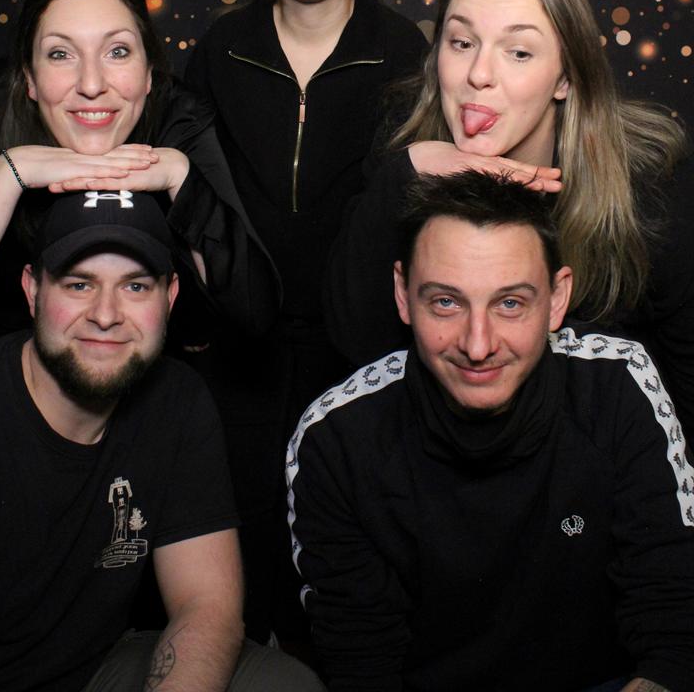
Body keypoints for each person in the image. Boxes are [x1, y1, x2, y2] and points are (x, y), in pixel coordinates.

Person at [0, 189, 325, 692]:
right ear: (33, 291)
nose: (106, 314)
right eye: (79, 284)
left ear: (170, 297)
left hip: (98, 669)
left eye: (135, 286)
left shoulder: (177, 400)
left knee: (284, 682)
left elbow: (207, 604)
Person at [288, 170, 694, 692]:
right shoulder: (334, 440)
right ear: (402, 295)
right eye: (446, 302)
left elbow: (674, 628)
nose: (477, 345)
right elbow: (363, 666)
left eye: (510, 304)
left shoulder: (617, 386)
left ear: (557, 299)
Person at [184, 0, 427, 637]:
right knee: (238, 555)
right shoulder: (224, 48)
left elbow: (411, 211)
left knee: (346, 555)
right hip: (239, 349)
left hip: (358, 346)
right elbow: (187, 196)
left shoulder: (403, 54)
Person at [324, 0, 693, 436]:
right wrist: (406, 173)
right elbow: (355, 345)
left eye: (518, 52)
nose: (479, 75)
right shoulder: (402, 141)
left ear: (565, 78)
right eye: (461, 43)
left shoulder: (648, 182)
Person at [0, 0, 280, 373]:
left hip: (138, 381)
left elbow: (256, 314)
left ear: (149, 73)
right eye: (61, 54)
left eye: (117, 51)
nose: (92, 84)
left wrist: (181, 179)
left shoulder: (179, 120)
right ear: (30, 77)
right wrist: (9, 174)